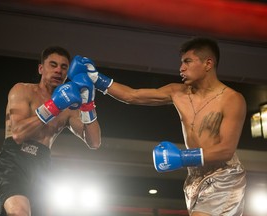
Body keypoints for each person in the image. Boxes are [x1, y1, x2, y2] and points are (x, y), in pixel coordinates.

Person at [68, 37, 247, 216]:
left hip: (224, 175)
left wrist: (181, 157)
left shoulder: (231, 99)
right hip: (194, 178)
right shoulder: (178, 92)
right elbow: (132, 95)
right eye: (181, 62)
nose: (181, 68)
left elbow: (226, 151)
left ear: (208, 63)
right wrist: (96, 78)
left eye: (188, 61)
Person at [0, 46, 101, 216]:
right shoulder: (22, 90)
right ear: (41, 68)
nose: (58, 70)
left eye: (64, 67)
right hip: (12, 162)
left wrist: (88, 104)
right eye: (53, 65)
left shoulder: (70, 107)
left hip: (42, 166)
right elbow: (18, 133)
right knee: (19, 212)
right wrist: (53, 107)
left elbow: (94, 142)